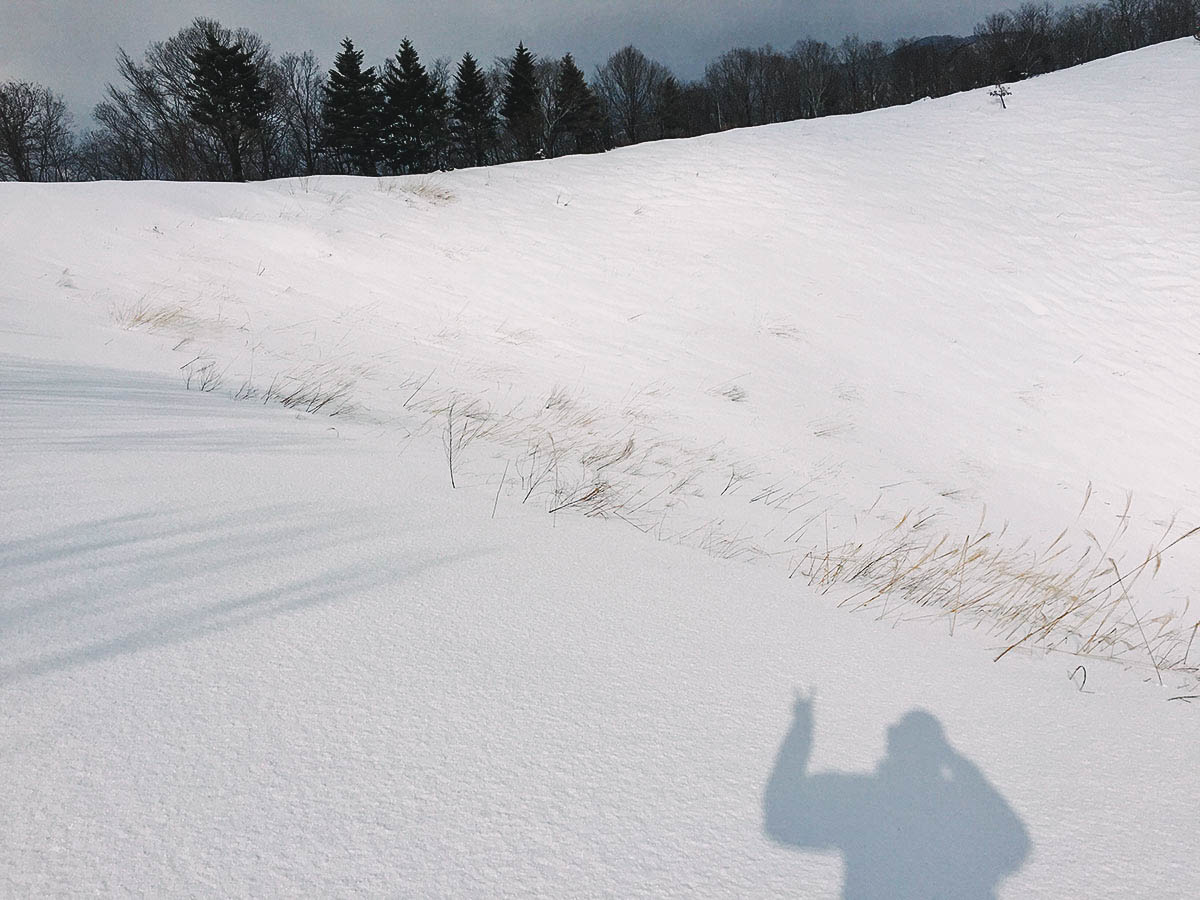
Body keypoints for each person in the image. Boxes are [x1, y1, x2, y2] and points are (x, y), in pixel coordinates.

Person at [764, 696, 1029, 899]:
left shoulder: (862, 797)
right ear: (937, 753)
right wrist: (957, 762)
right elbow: (1015, 843)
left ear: (893, 744)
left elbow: (780, 817)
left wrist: (800, 731)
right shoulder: (957, 802)